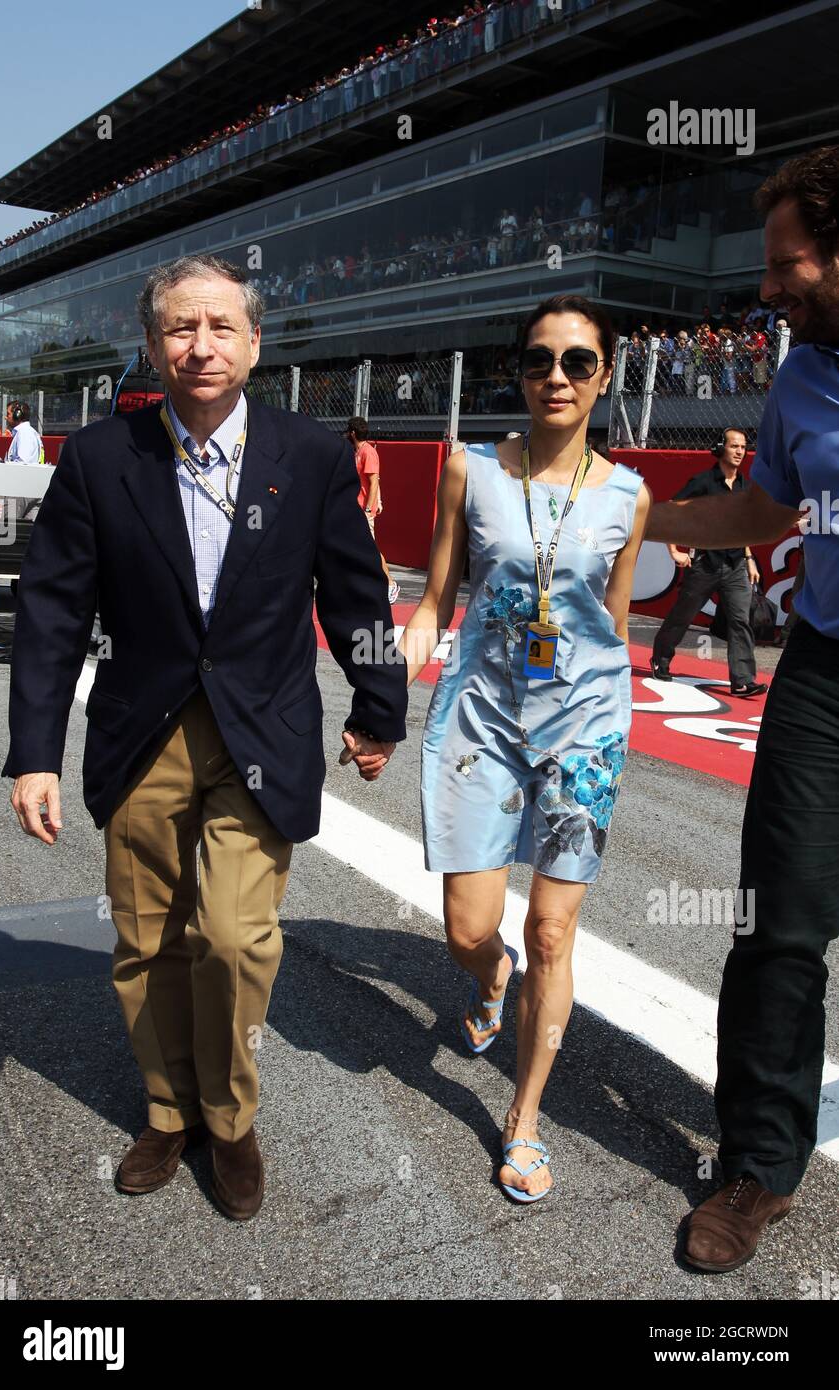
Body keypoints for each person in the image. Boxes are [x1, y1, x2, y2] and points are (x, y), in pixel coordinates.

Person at [2, 253, 407, 1222]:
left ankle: (228, 1118)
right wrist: (32, 753)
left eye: (221, 326)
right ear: (151, 345)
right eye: (180, 327)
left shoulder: (307, 457)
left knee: (228, 935)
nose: (201, 344)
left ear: (254, 343)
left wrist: (377, 703)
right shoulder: (103, 459)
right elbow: (53, 612)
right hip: (142, 734)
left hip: (260, 734)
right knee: (147, 939)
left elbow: (356, 594)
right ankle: (166, 1106)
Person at [399, 294, 650, 1201]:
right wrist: (397, 675)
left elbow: (612, 627)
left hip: (583, 728)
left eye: (577, 362)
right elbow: (433, 599)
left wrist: (594, 712)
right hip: (480, 718)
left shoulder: (631, 493)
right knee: (471, 926)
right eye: (540, 359)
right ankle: (490, 978)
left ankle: (523, 1119)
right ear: (520, 370)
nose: (556, 376)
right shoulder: (470, 471)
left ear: (604, 376)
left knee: (552, 928)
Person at [646, 144, 839, 1272]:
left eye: (789, 263)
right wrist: (633, 524)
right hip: (821, 672)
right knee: (777, 928)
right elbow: (758, 513)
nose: (767, 287)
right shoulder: (801, 376)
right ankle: (756, 1167)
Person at [650, 428, 767, 697]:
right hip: (705, 563)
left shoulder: (744, 486)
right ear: (720, 448)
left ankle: (742, 681)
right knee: (682, 615)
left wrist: (749, 559)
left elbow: (742, 529)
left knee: (740, 621)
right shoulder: (703, 482)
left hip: (736, 564)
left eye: (743, 447)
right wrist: (674, 551)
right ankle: (661, 658)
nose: (740, 451)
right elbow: (672, 509)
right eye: (734, 446)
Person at [344, 416, 400, 603]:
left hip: (364, 509)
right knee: (355, 548)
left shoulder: (368, 452)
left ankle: (391, 584)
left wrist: (370, 508)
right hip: (356, 508)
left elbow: (374, 481)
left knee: (371, 549)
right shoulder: (357, 452)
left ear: (352, 433)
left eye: (348, 431)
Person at [5, 401, 44, 465]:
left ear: (17, 415)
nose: (6, 418)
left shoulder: (25, 433)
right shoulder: (26, 432)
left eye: (8, 414)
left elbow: (22, 464)